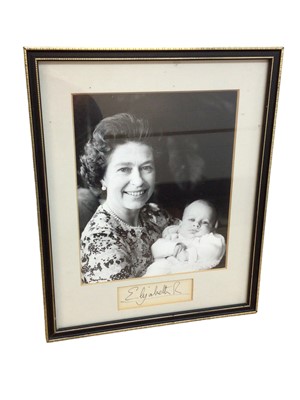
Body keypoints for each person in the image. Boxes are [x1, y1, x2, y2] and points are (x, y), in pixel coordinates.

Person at [80, 113, 177, 283]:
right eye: (124, 169)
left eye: (146, 167)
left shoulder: (155, 214)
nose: (138, 181)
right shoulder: (101, 241)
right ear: (102, 177)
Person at [144, 199, 226, 276]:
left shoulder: (211, 239)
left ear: (213, 227)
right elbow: (155, 248)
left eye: (205, 222)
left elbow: (212, 251)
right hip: (164, 269)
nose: (196, 224)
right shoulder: (173, 235)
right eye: (191, 219)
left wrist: (188, 254)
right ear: (181, 222)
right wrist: (173, 247)